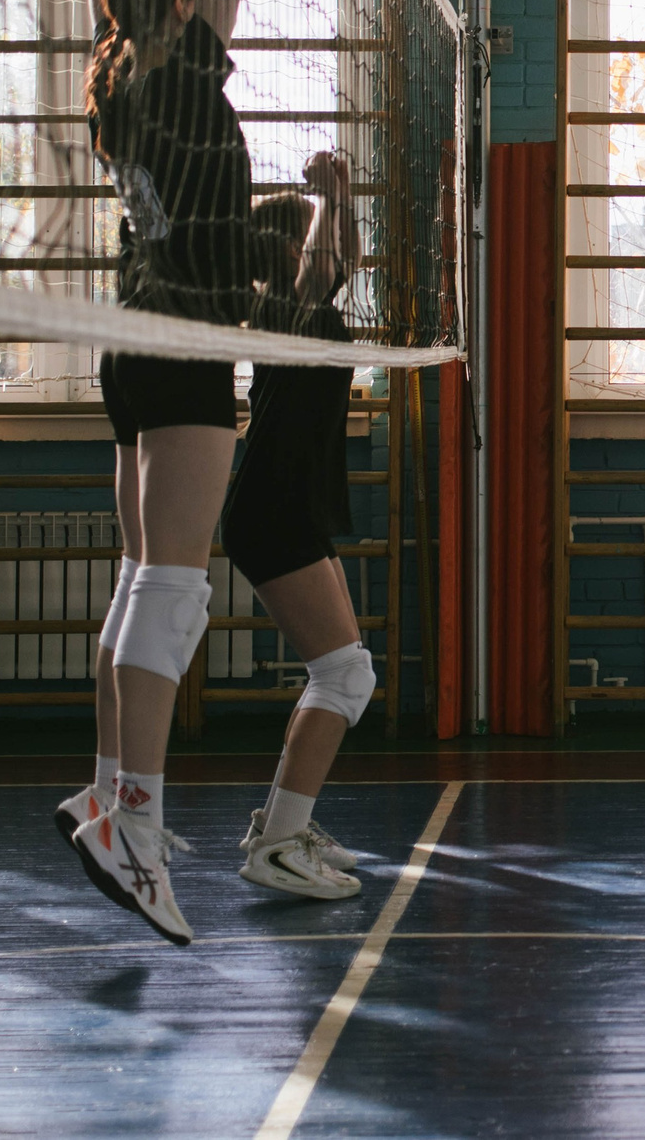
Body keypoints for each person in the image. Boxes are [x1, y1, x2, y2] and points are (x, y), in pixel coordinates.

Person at [43, 0, 252, 947]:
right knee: (172, 591)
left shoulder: (116, 71)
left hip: (134, 342)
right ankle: (134, 823)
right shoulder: (179, 83)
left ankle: (114, 797)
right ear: (184, 7)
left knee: (142, 582)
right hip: (179, 345)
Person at [223, 157, 374, 901]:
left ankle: (280, 824)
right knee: (347, 674)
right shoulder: (285, 307)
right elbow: (329, 260)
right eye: (309, 238)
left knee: (339, 671)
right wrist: (332, 194)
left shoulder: (294, 305)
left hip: (288, 505)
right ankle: (279, 844)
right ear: (288, 251)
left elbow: (338, 257)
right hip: (274, 506)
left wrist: (333, 200)